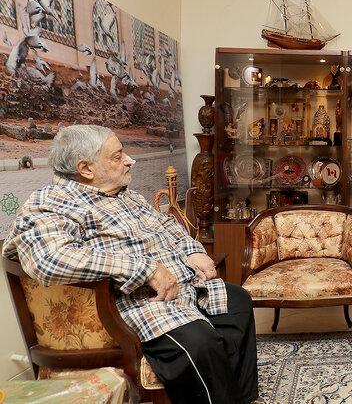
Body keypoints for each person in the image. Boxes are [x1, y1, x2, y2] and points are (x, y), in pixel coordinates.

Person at [2, 125, 258, 404]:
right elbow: (50, 259)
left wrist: (192, 251)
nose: (129, 160)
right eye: (117, 156)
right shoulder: (51, 203)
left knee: (237, 301)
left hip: (183, 288)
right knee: (199, 343)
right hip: (137, 304)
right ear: (85, 168)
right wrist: (145, 269)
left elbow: (167, 226)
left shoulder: (128, 196)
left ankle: (239, 397)